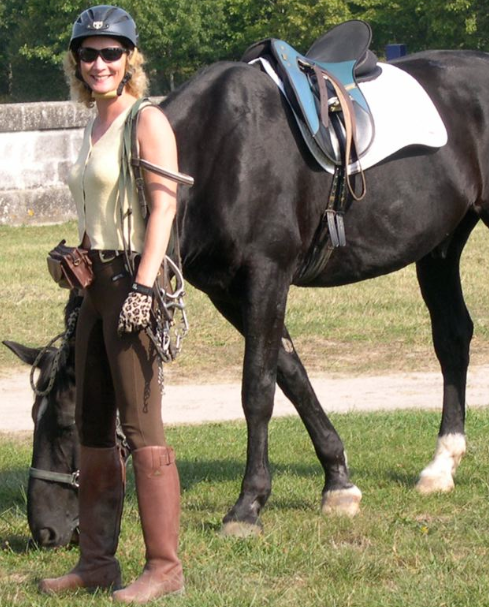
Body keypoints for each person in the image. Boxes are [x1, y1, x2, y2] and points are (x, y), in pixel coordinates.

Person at [38, 5, 184, 603]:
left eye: (111, 53)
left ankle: (164, 566)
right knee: (93, 428)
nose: (99, 63)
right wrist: (73, 257)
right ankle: (97, 561)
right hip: (93, 290)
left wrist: (145, 288)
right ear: (77, 61)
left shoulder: (145, 121)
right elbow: (98, 209)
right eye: (89, 53)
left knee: (142, 427)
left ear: (130, 60)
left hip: (131, 284)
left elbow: (165, 208)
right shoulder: (91, 125)